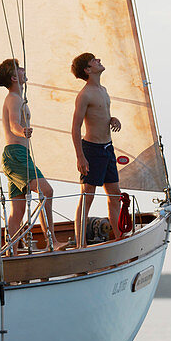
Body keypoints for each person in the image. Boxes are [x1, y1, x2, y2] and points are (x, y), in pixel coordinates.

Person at [0, 58, 54, 250]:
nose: (23, 69)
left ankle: (11, 253)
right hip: (16, 154)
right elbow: (13, 124)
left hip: (18, 155)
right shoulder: (14, 98)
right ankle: (52, 240)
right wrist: (22, 131)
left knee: (17, 211)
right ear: (13, 77)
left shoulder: (16, 98)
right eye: (19, 69)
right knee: (47, 191)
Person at [71, 52, 123, 247]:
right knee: (87, 195)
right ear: (87, 69)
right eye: (94, 60)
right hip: (91, 150)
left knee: (115, 194)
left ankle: (118, 238)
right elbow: (76, 127)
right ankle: (80, 244)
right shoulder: (84, 95)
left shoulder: (103, 89)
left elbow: (102, 115)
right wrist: (80, 157)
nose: (99, 60)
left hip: (108, 148)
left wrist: (112, 119)